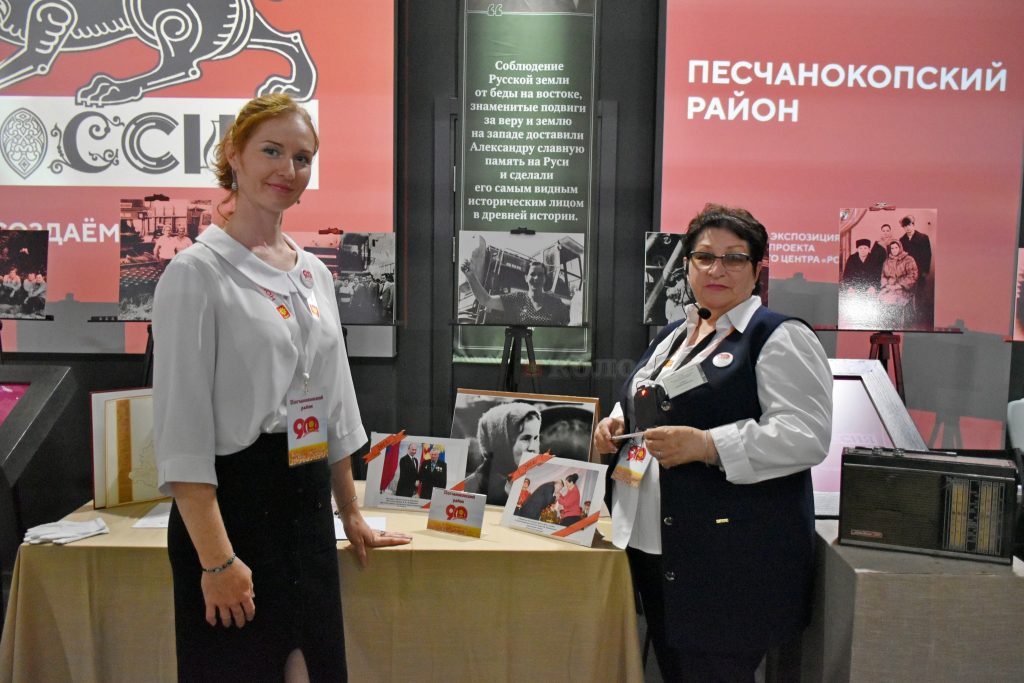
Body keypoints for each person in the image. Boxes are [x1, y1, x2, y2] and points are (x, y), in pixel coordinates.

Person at [152, 93, 410, 683]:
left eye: (302, 157)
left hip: (305, 506)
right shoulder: (196, 274)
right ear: (234, 156)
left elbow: (332, 402)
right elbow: (181, 435)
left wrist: (349, 511)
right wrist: (217, 562)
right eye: (271, 151)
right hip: (234, 516)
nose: (288, 170)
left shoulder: (314, 272)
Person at [593, 203, 832, 682]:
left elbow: (807, 434)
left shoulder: (777, 336)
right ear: (687, 266)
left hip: (730, 564)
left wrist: (708, 445)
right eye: (704, 257)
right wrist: (615, 423)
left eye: (734, 258)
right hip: (657, 547)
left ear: (757, 269)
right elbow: (647, 400)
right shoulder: (675, 334)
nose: (716, 269)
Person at [464, 402, 541, 506]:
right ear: (501, 442)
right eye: (525, 438)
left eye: (536, 438)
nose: (532, 448)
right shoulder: (469, 491)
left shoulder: (533, 483)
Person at [460, 258, 569, 326]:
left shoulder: (555, 303)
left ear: (545, 278)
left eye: (540, 275)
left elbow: (570, 322)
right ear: (526, 278)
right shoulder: (516, 299)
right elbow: (486, 300)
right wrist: (470, 275)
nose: (536, 278)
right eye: (532, 274)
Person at [878, 240, 919, 329]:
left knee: (897, 299)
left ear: (900, 248)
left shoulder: (909, 259)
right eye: (892, 248)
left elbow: (912, 276)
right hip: (889, 287)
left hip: (903, 288)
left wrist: (899, 285)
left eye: (896, 247)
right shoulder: (887, 261)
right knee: (881, 298)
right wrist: (887, 285)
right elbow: (883, 276)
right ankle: (888, 325)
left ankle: (898, 325)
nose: (894, 250)